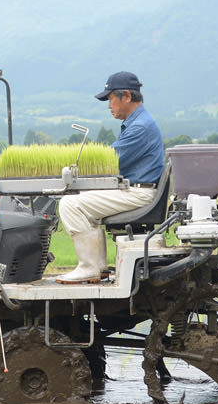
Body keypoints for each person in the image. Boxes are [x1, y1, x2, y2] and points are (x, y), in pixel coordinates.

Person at [56, 71, 165, 283]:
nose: (108, 105)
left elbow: (109, 159)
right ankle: (98, 267)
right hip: (134, 188)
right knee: (83, 203)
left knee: (70, 204)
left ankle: (88, 267)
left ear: (126, 96)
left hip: (138, 193)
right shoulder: (137, 122)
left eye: (110, 99)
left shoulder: (140, 127)